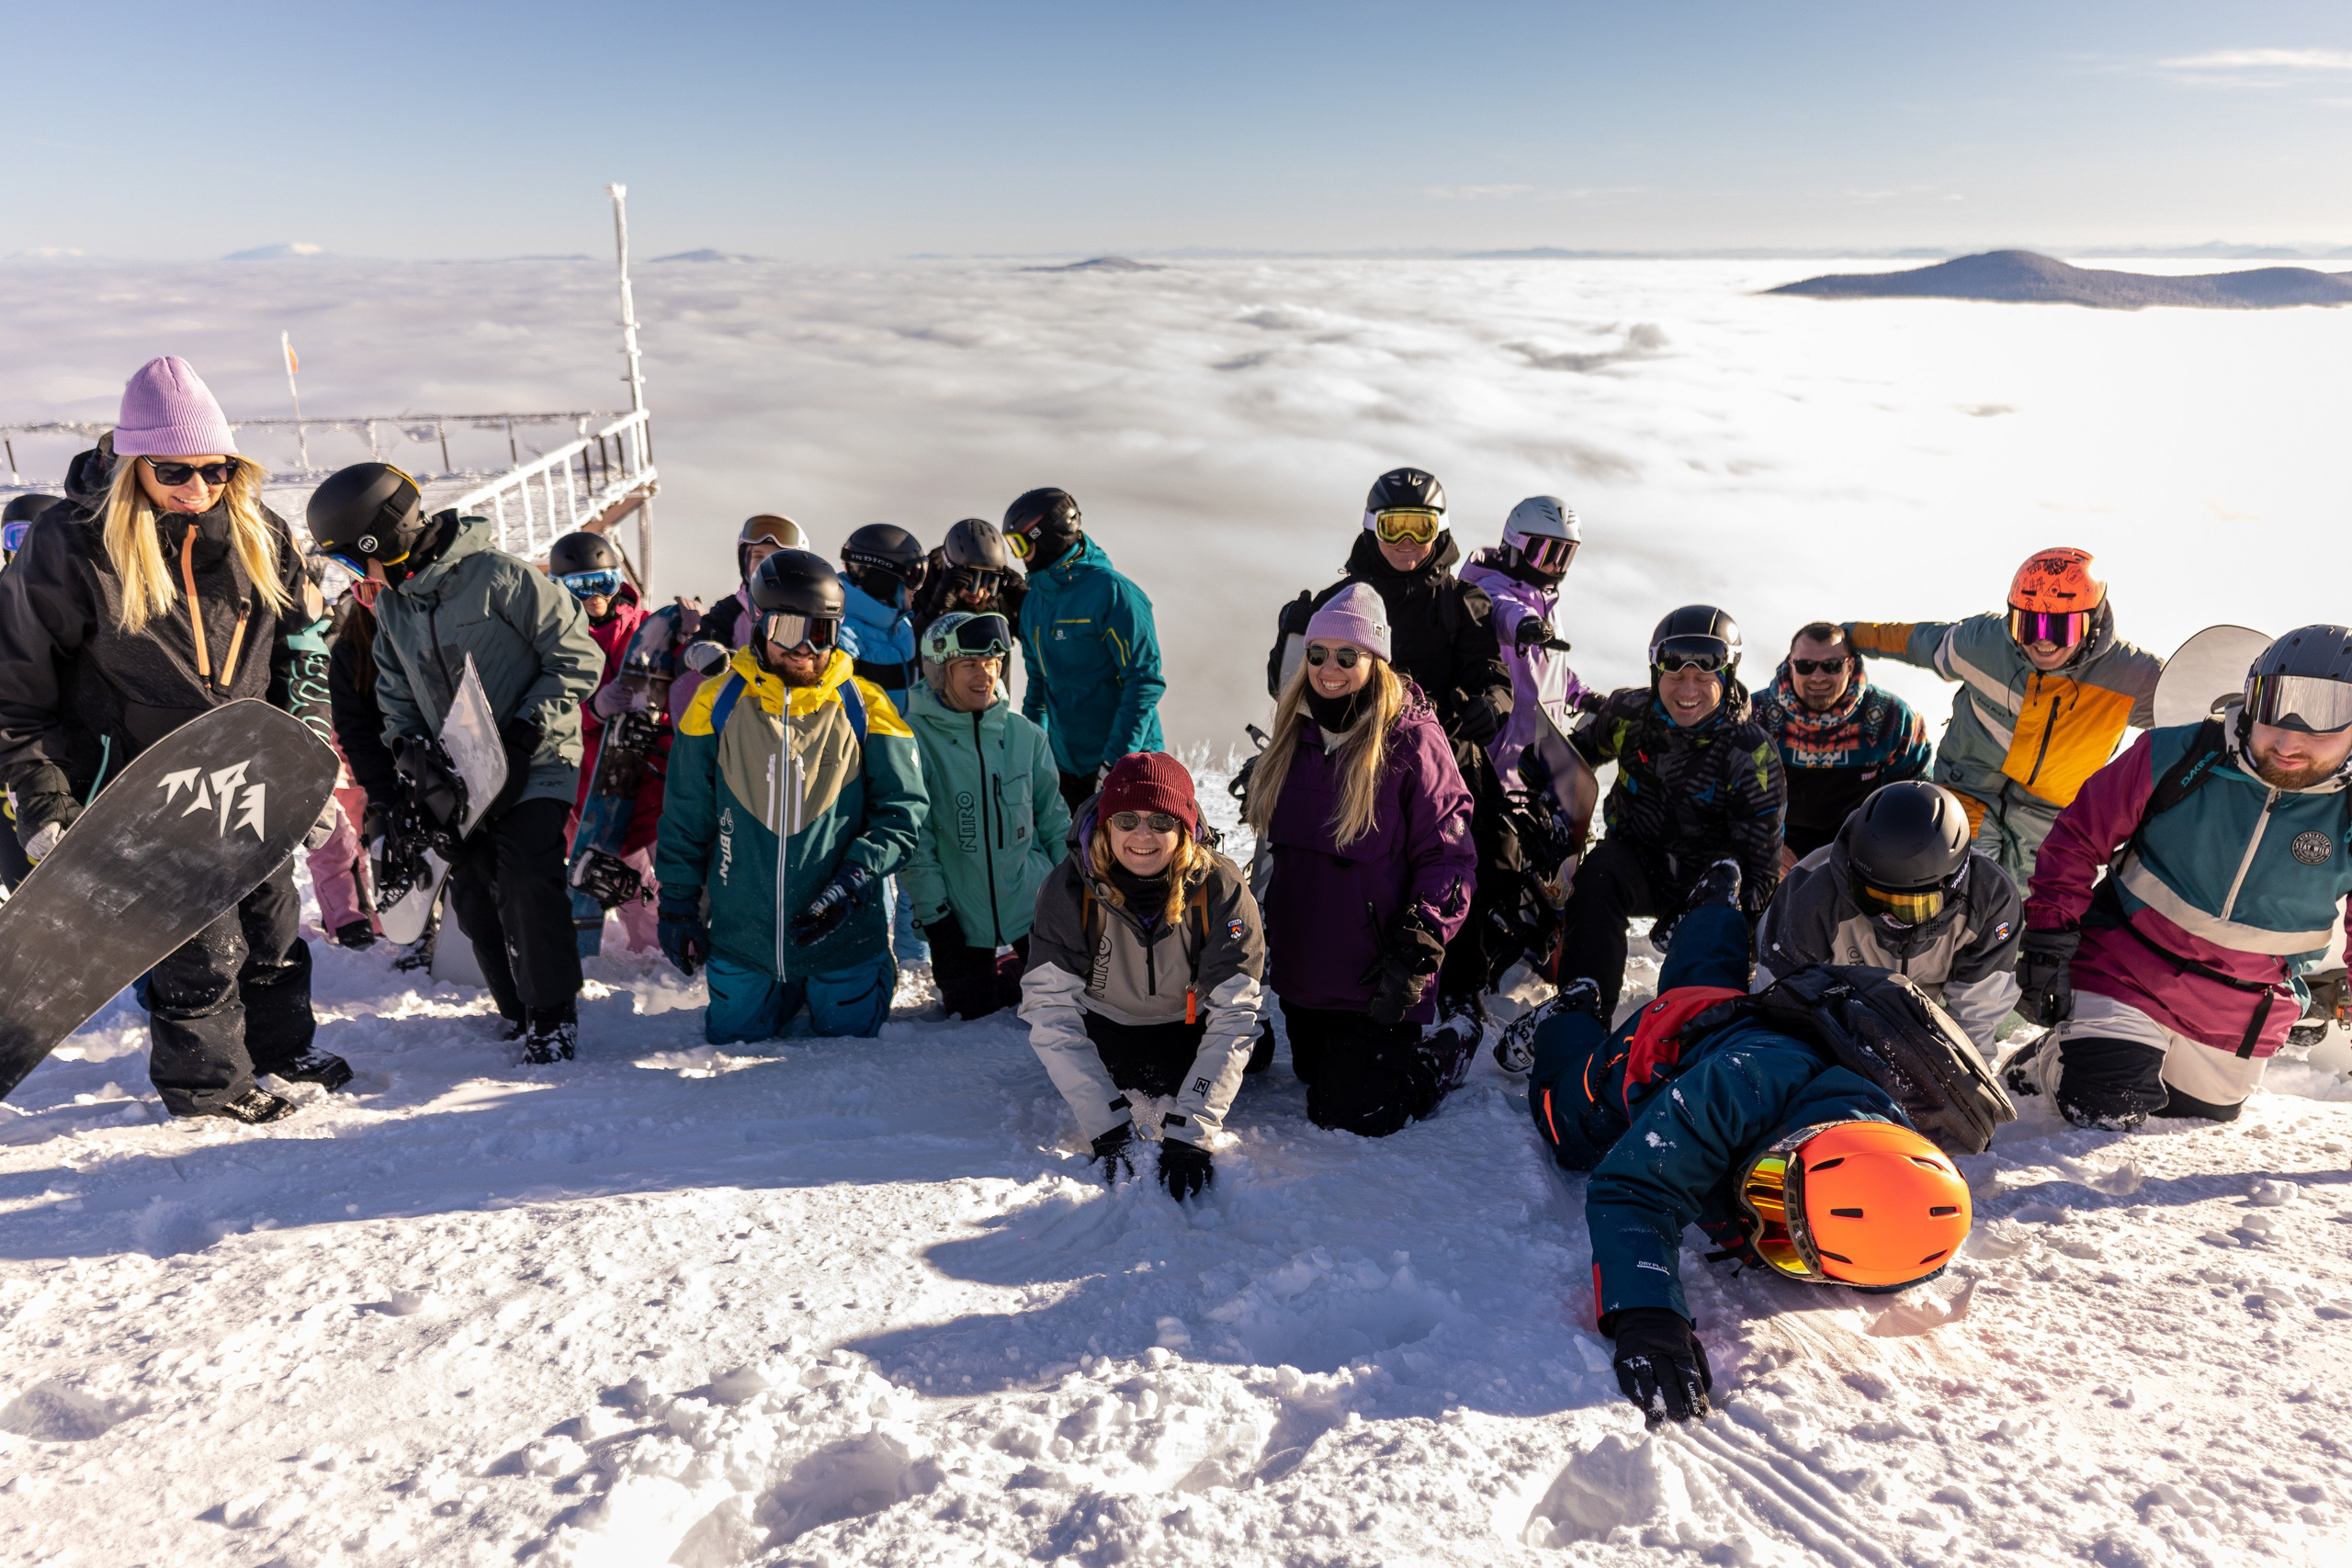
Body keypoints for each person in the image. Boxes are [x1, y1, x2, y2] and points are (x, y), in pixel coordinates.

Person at [0, 356, 346, 1122]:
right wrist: (45, 799)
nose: (199, 488)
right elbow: (17, 692)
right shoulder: (71, 544)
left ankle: (284, 1050)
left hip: (248, 770)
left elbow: (305, 650)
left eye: (217, 469)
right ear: (132, 463)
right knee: (198, 941)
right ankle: (211, 1088)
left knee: (271, 921)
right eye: (174, 470)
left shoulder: (259, 532)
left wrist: (311, 762)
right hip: (137, 777)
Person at [1523, 863, 1973, 1427]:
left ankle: (1714, 910)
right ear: (1796, 1146)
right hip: (1663, 1046)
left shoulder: (1903, 1209)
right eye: (1768, 1193)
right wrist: (1646, 1310)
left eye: (1791, 1252)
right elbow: (1635, 1187)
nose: (1761, 1231)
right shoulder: (1736, 1088)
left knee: (1709, 979)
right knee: (1565, 1124)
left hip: (1749, 1022)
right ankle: (1571, 1014)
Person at [307, 462, 604, 1064]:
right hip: (465, 770)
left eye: (348, 559)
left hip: (536, 756)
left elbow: (577, 655)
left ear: (377, 539)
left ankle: (551, 1014)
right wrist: (413, 758)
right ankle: (517, 1008)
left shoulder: (499, 576)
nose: (351, 575)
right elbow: (394, 694)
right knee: (472, 890)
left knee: (524, 874)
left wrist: (523, 735)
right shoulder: (393, 607)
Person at [2005, 626, 2352, 1129]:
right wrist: (2049, 938)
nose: (2287, 742)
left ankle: (2092, 1049)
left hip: (2240, 1008)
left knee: (2192, 1118)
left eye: (2318, 727)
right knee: (2106, 1103)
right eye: (2271, 714)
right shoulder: (2179, 754)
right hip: (2125, 967)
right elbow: (2079, 835)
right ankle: (2047, 1065)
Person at [1269, 469, 1516, 1048]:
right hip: (1350, 751)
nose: (1407, 540)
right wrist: (1287, 642)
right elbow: (1296, 681)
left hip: (1437, 751)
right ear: (1371, 528)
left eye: (1421, 526)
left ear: (1441, 530)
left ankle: (1456, 974)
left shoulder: (1460, 603)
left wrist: (1490, 705)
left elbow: (1492, 673)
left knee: (1471, 838)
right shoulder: (1338, 601)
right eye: (1393, 526)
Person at [654, 548, 927, 1042]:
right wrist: (676, 902)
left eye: (819, 632)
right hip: (744, 937)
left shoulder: (865, 706)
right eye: (787, 630)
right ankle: (781, 987)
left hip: (843, 933)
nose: (804, 648)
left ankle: (849, 976)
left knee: (851, 1035)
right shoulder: (718, 702)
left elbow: (903, 811)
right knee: (732, 1036)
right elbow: (687, 813)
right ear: (760, 624)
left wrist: (856, 877)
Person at [1243, 583, 1478, 1136]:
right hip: (1304, 976)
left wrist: (1421, 940)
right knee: (1310, 1075)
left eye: (1347, 657)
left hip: (1378, 981)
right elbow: (1270, 855)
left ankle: (1450, 1046)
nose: (1329, 668)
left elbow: (1450, 855)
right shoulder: (1291, 736)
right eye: (1318, 654)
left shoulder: (1411, 741)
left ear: (1376, 662)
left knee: (1353, 1115)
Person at [1023, 751, 1265, 1197]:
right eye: (1127, 819)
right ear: (1106, 823)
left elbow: (1234, 1016)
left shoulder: (1221, 887)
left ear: (1184, 828)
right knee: (1128, 1078)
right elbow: (1049, 1010)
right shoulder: (1069, 887)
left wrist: (1192, 1132)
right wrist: (1106, 1123)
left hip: (1189, 1026)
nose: (1142, 835)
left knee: (1250, 1048)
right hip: (1107, 1029)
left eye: (1160, 821)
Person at [1846, 547, 2162, 885]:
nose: (2042, 640)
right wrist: (1845, 635)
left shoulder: (2132, 676)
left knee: (2029, 913)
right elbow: (1914, 641)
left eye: (2060, 628)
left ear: (2093, 621)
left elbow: (2195, 712)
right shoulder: (1983, 644)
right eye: (2027, 624)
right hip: (1969, 790)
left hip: (2054, 817)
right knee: (1959, 887)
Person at [1552, 605, 1785, 1021]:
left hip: (1709, 888)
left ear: (1727, 677)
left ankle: (1690, 1018)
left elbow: (1760, 872)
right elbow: (1572, 757)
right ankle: (1581, 1004)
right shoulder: (1629, 712)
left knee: (1725, 908)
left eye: (1703, 677)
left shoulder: (1752, 751)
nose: (1687, 689)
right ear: (1656, 672)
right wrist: (1540, 789)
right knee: (1599, 870)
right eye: (1675, 674)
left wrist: (1730, 923)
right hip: (1637, 864)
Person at [1754, 781, 2021, 1054]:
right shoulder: (1809, 899)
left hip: (1923, 1029)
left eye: (1909, 906)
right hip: (1831, 1029)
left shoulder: (1991, 903)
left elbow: (1973, 1027)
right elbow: (1777, 1017)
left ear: (1953, 883)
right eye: (1872, 897)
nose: (1889, 918)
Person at [903, 611, 1069, 1019]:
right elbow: (916, 841)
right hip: (958, 913)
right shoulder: (912, 738)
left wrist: (1070, 895)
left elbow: (1054, 821)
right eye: (969, 665)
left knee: (1059, 999)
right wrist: (935, 917)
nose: (985, 675)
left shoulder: (1024, 735)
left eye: (993, 663)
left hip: (1031, 904)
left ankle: (1015, 964)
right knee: (972, 1009)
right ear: (939, 671)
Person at [551, 529, 691, 954]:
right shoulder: (553, 640)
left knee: (678, 873)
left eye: (603, 582)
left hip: (654, 778)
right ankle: (647, 959)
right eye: (580, 586)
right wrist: (591, 711)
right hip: (596, 788)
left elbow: (684, 694)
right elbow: (545, 710)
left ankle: (683, 950)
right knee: (623, 881)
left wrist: (691, 641)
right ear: (559, 589)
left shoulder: (649, 630)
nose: (594, 595)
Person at [1004, 488, 1166, 814]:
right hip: (1067, 764)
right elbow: (1038, 685)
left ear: (1047, 537)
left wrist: (1117, 761)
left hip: (1128, 764)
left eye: (1021, 544)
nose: (1019, 557)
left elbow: (1143, 682)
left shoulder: (1113, 593)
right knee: (1073, 860)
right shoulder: (1036, 600)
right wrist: (1034, 752)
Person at [1751, 622, 1932, 866]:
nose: (1817, 677)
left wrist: (1873, 852)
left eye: (1831, 666)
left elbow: (1914, 799)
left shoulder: (1892, 719)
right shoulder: (1758, 717)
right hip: (1776, 846)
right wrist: (1768, 844)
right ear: (1790, 665)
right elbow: (1745, 793)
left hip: (1862, 847)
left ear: (1850, 665)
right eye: (1805, 666)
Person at [1456, 495, 1600, 790]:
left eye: (1564, 556)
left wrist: (1581, 695)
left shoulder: (1546, 600)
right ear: (1515, 546)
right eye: (1545, 554)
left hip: (1536, 764)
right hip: (1496, 763)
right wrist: (1524, 625)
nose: (1553, 567)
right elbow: (1503, 610)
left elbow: (1546, 668)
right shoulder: (1486, 591)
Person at [673, 513, 808, 714]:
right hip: (736, 714)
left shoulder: (810, 613)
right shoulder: (730, 610)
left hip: (794, 712)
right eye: (758, 557)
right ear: (744, 562)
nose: (765, 566)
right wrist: (698, 653)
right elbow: (685, 666)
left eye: (776, 558)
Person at [837, 523, 925, 695]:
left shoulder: (902, 625)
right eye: (914, 575)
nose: (917, 587)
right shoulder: (843, 632)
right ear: (883, 578)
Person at [910, 517, 1025, 644]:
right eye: (971, 579)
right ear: (950, 574)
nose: (979, 592)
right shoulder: (921, 589)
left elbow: (1040, 643)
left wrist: (1027, 603)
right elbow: (911, 650)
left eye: (989, 580)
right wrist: (937, 610)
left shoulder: (999, 596)